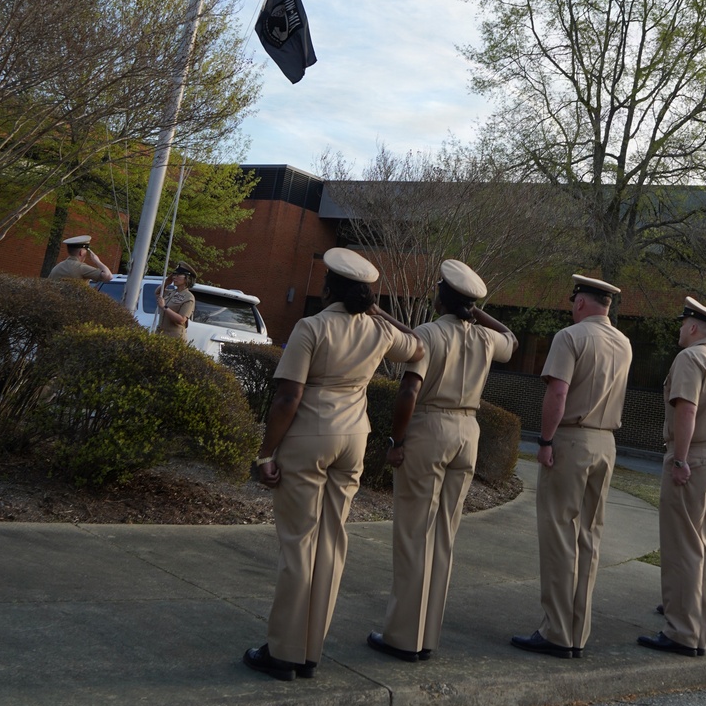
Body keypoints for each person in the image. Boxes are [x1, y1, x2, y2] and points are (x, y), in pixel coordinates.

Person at [242, 247, 423, 682]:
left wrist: (266, 453)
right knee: (331, 543)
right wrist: (382, 313)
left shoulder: (312, 327)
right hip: (354, 440)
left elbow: (288, 397)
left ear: (329, 288)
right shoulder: (380, 331)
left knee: (298, 544)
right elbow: (419, 345)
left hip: (310, 437)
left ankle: (284, 651)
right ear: (367, 295)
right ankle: (310, 651)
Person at [368, 259, 518, 662]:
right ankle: (427, 636)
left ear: (441, 297)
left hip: (431, 428)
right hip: (468, 432)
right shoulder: (486, 339)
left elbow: (408, 392)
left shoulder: (430, 333)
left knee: (413, 535)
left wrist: (395, 441)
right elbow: (511, 339)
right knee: (443, 537)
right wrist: (474, 309)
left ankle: (403, 637)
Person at [511, 273, 632, 659]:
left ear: (581, 302)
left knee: (559, 534)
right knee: (589, 538)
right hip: (606, 442)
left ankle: (556, 631)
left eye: (573, 298)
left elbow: (558, 391)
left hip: (572, 439)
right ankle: (578, 631)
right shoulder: (624, 343)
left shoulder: (571, 336)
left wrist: (545, 440)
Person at [638, 296, 706, 658]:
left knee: (683, 547)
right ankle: (695, 629)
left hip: (693, 456)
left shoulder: (691, 357)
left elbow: (687, 409)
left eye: (683, 324)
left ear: (693, 327)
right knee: (702, 546)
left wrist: (678, 460)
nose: (680, 329)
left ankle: (681, 632)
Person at [155, 263, 197, 342]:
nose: (174, 277)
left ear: (186, 278)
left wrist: (165, 307)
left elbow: (181, 320)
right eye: (174, 275)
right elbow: (157, 293)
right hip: (161, 334)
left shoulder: (189, 297)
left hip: (174, 338)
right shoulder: (172, 292)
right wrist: (166, 283)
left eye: (178, 275)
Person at [47, 235, 113, 283]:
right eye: (86, 250)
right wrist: (97, 261)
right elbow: (108, 276)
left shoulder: (57, 267)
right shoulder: (80, 267)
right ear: (81, 252)